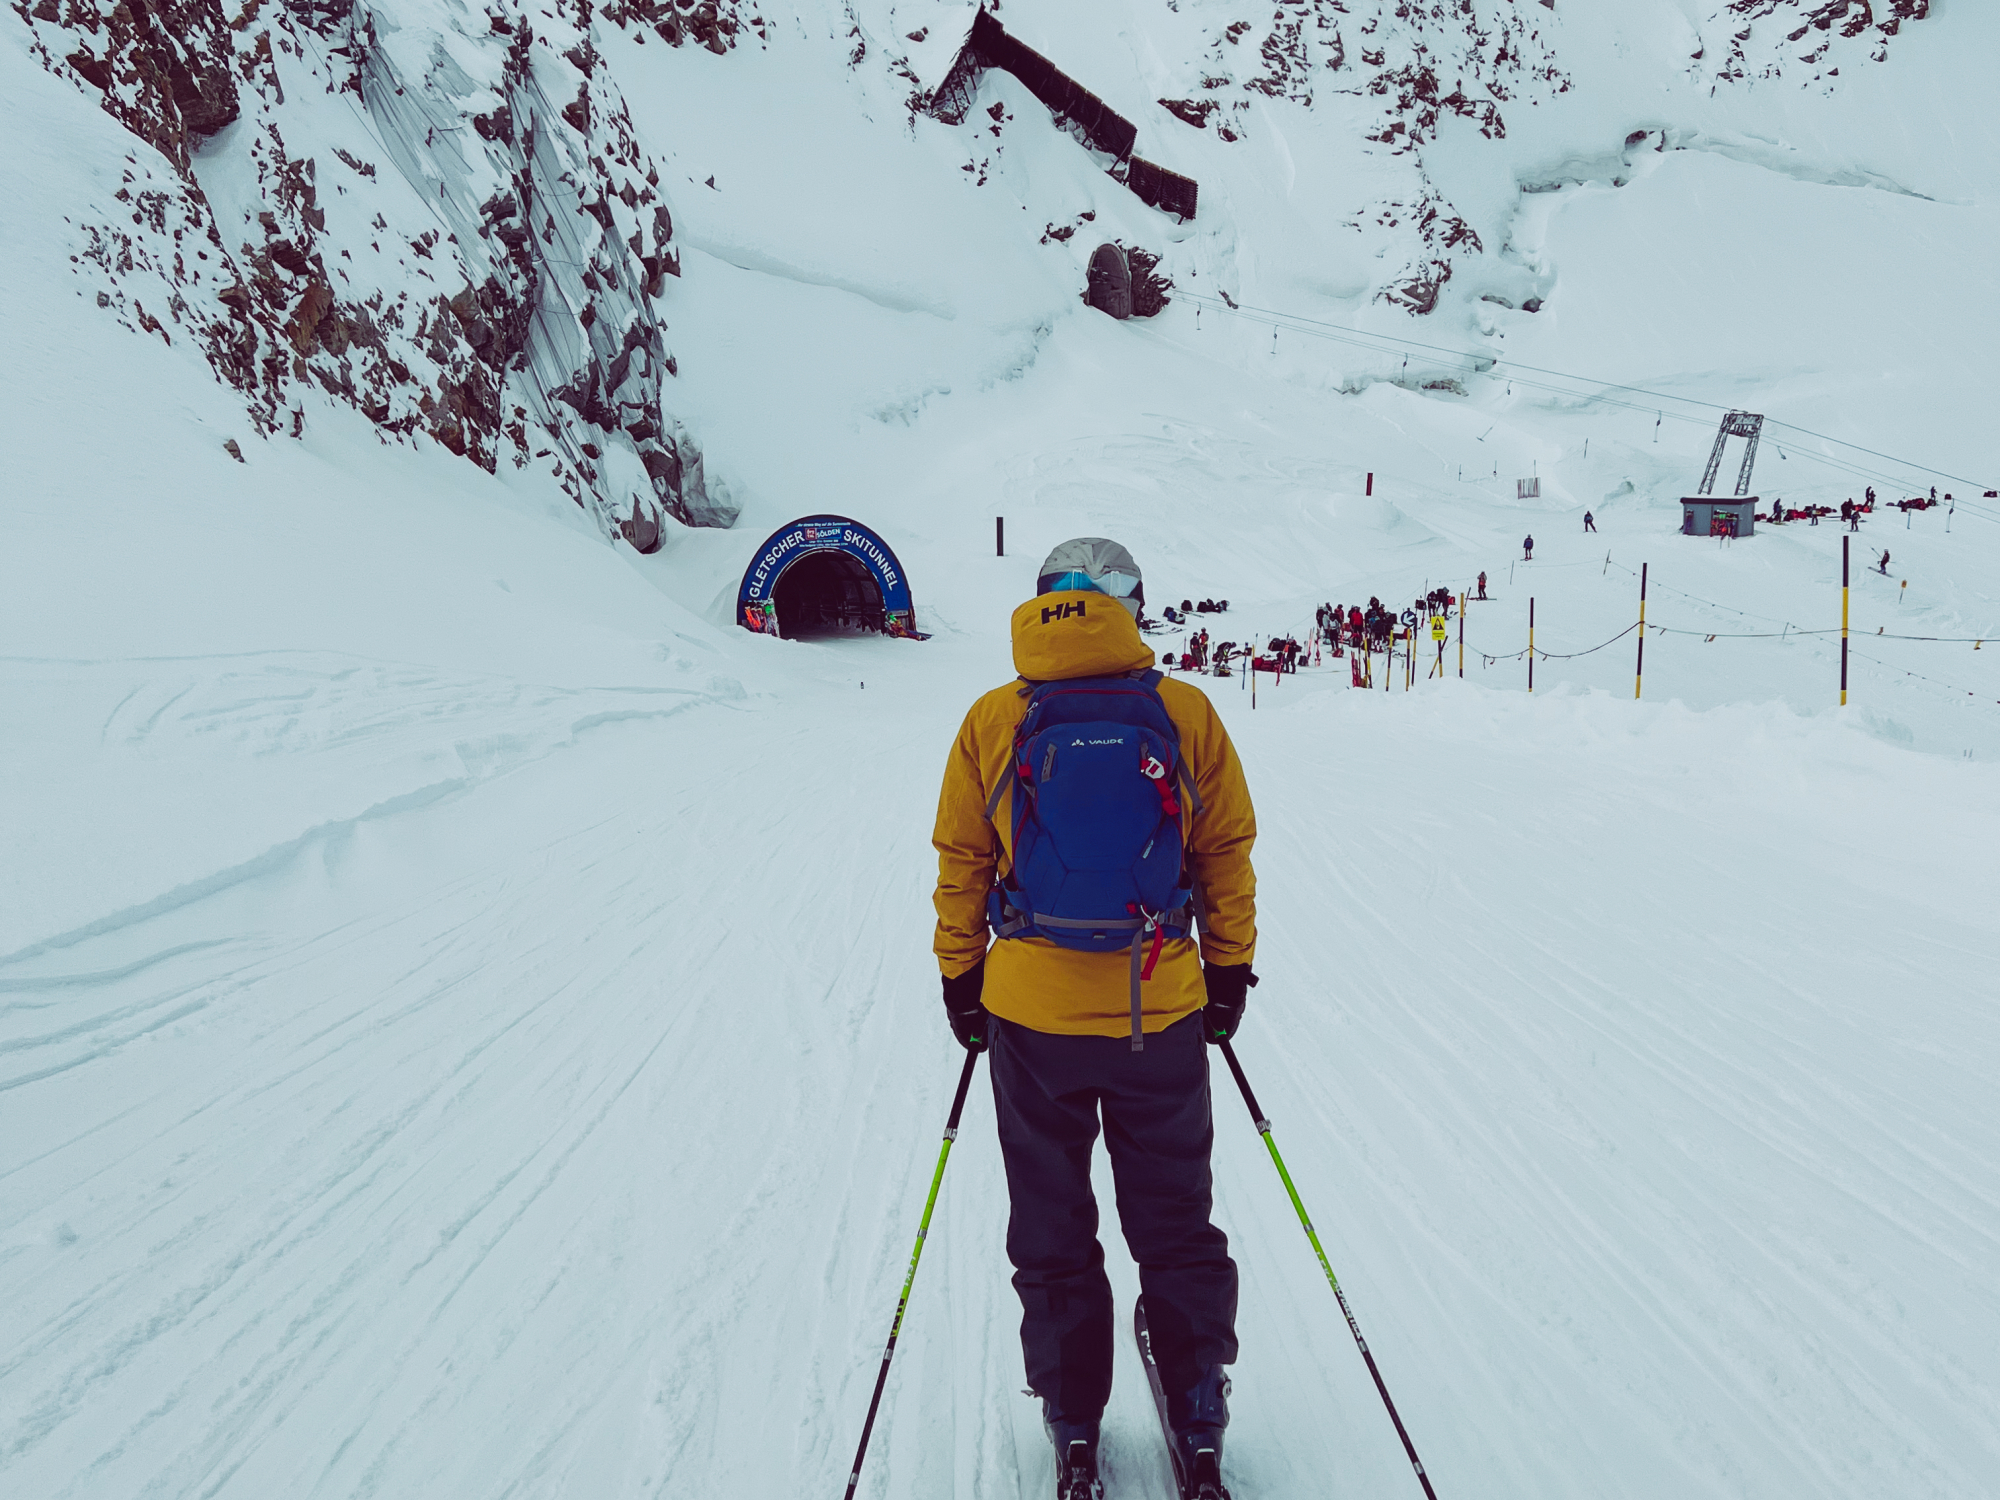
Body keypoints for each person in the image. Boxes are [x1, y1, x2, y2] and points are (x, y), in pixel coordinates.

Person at [932, 538, 1258, 1500]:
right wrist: (1230, 968)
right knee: (1174, 1219)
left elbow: (964, 857)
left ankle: (1074, 1419)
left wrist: (963, 976)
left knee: (1052, 1221)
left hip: (1031, 1019)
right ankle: (1197, 1407)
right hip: (1157, 1011)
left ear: (1044, 607)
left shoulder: (996, 717)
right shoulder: (1185, 712)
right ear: (1132, 606)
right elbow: (1224, 850)